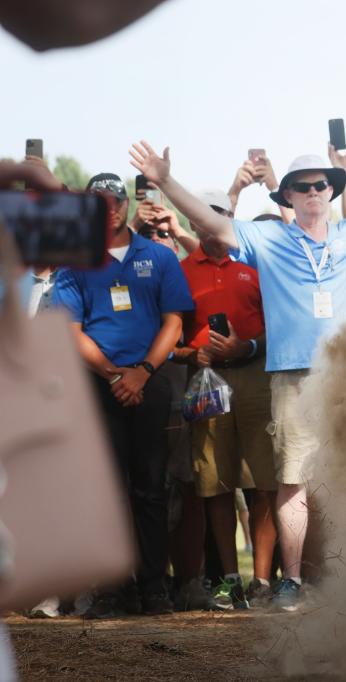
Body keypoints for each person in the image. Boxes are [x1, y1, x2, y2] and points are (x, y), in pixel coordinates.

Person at [129, 141, 346, 611]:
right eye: (302, 186)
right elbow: (211, 222)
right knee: (292, 482)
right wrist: (166, 182)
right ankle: (290, 582)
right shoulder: (267, 239)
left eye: (322, 185)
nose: (314, 192)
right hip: (293, 379)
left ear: (332, 192)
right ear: (286, 196)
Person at [52, 172, 195, 617]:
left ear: (124, 205)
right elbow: (70, 331)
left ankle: (154, 586)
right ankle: (116, 589)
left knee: (152, 487)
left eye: (114, 199)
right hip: (98, 386)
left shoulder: (158, 255)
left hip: (149, 383)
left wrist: (143, 371)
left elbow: (174, 322)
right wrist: (115, 375)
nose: (107, 207)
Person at [177, 190, 276, 609]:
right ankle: (230, 578)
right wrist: (190, 353)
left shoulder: (257, 264)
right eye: (205, 214)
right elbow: (168, 334)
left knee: (263, 482)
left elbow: (281, 328)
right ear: (196, 221)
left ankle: (263, 581)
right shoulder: (180, 270)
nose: (210, 222)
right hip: (206, 382)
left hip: (255, 376)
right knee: (215, 483)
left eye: (219, 213)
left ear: (231, 218)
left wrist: (247, 348)